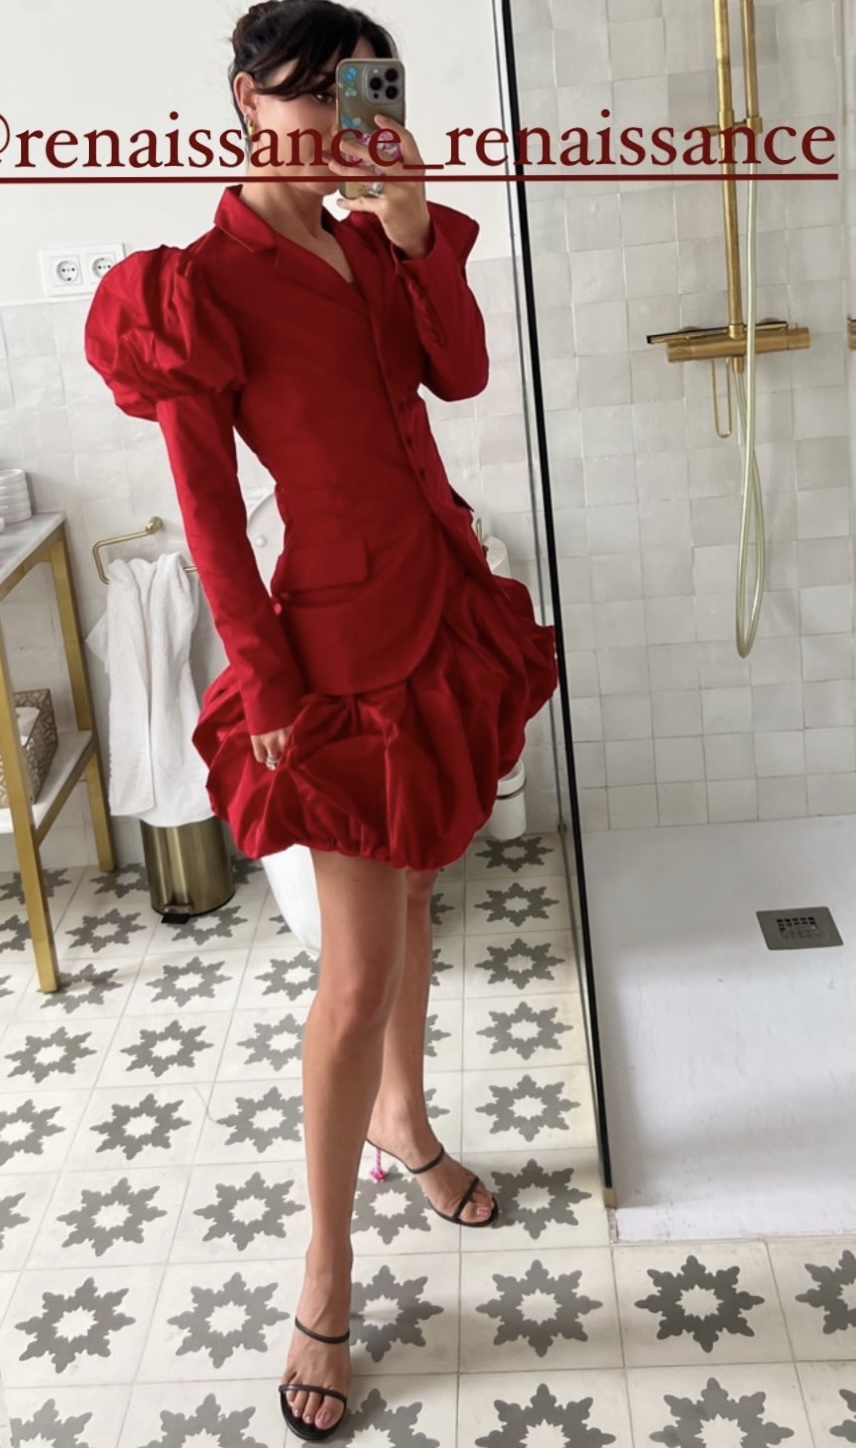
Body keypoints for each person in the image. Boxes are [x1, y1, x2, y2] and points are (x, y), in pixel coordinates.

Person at [85, 0, 557, 1438]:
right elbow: (209, 512)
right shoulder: (196, 286)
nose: (347, 124)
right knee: (353, 979)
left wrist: (414, 226)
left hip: (438, 600)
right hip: (336, 651)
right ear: (248, 102)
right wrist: (269, 679)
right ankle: (325, 1277)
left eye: (366, 96)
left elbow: (461, 374)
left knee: (414, 893)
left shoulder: (369, 243)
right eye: (317, 95)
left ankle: (405, 1123)